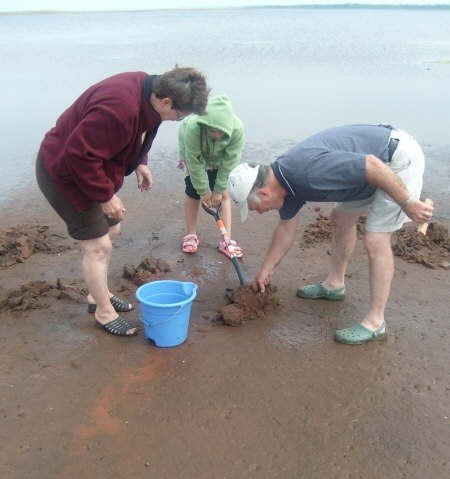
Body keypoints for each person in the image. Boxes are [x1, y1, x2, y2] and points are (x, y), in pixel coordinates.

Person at [36, 67, 209, 337]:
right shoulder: (118, 107)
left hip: (88, 169)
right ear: (165, 102)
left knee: (112, 228)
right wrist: (105, 196)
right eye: (179, 115)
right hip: (63, 172)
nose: (178, 120)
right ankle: (103, 313)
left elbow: (145, 128)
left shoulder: (151, 89)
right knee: (97, 245)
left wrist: (140, 161)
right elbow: (78, 155)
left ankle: (98, 295)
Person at [227, 124, 434, 344]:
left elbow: (373, 166)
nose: (258, 212)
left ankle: (376, 322)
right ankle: (335, 284)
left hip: (396, 162)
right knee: (341, 218)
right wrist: (265, 270)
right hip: (372, 172)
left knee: (376, 238)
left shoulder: (307, 172)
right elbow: (286, 227)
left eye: (255, 206)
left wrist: (408, 202)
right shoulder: (283, 182)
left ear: (263, 192)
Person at [177, 95, 244, 258]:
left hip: (219, 159)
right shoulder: (193, 127)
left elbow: (229, 163)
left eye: (220, 131)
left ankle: (226, 240)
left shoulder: (237, 129)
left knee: (224, 194)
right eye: (212, 130)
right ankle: (191, 235)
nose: (216, 134)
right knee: (193, 191)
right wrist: (203, 191)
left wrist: (218, 190)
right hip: (194, 152)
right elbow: (194, 162)